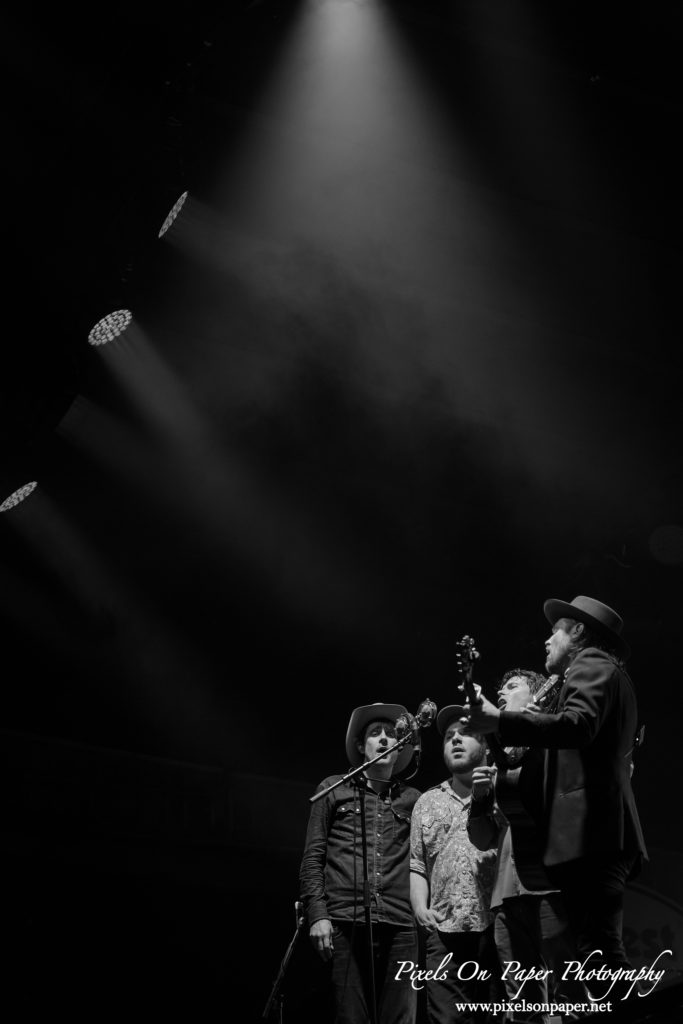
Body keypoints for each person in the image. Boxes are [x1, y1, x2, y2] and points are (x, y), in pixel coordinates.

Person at [465, 596, 648, 1003]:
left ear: (578, 632)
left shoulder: (590, 664)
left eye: (555, 631)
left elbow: (577, 726)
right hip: (596, 835)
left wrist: (501, 720)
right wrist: (500, 730)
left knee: (600, 959)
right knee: (597, 957)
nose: (548, 640)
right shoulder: (600, 673)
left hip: (593, 833)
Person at [467, 669, 588, 1022]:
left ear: (538, 695)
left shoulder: (555, 742)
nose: (502, 692)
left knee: (572, 996)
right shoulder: (499, 758)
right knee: (521, 1002)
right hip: (508, 891)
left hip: (553, 883)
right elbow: (482, 838)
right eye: (500, 686)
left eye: (512, 686)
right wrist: (479, 798)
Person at [299, 702, 421, 1024]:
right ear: (360, 745)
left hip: (401, 926)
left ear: (400, 746)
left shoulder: (414, 800)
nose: (383, 739)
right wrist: (317, 914)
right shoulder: (333, 789)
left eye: (391, 734)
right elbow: (313, 857)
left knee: (401, 1019)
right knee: (350, 1017)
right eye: (374, 733)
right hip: (344, 920)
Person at [410, 707, 499, 1023]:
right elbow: (418, 864)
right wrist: (420, 906)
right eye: (449, 737)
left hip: (498, 929)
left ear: (487, 744)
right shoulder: (427, 801)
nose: (456, 741)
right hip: (444, 931)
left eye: (466, 734)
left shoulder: (506, 790)